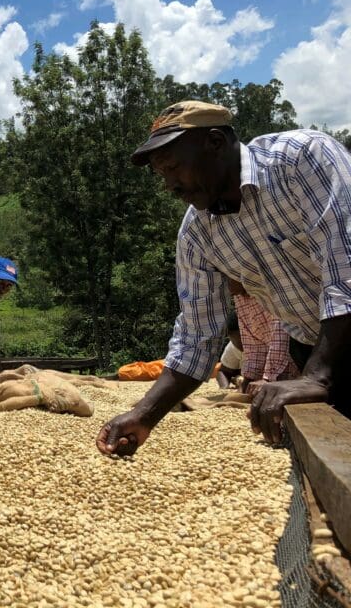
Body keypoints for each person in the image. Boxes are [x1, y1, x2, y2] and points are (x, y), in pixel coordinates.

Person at [97, 100, 351, 457]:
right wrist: (143, 415)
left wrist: (315, 377)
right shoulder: (197, 234)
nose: (170, 185)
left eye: (173, 168)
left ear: (215, 143)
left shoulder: (302, 159)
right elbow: (195, 338)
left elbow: (346, 273)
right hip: (319, 348)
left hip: (332, 345)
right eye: (161, 174)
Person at [228, 277, 298, 396]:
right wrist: (249, 378)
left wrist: (269, 379)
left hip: (298, 358)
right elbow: (253, 344)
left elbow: (281, 334)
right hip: (279, 368)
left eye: (226, 281)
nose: (226, 289)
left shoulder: (268, 286)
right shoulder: (240, 297)